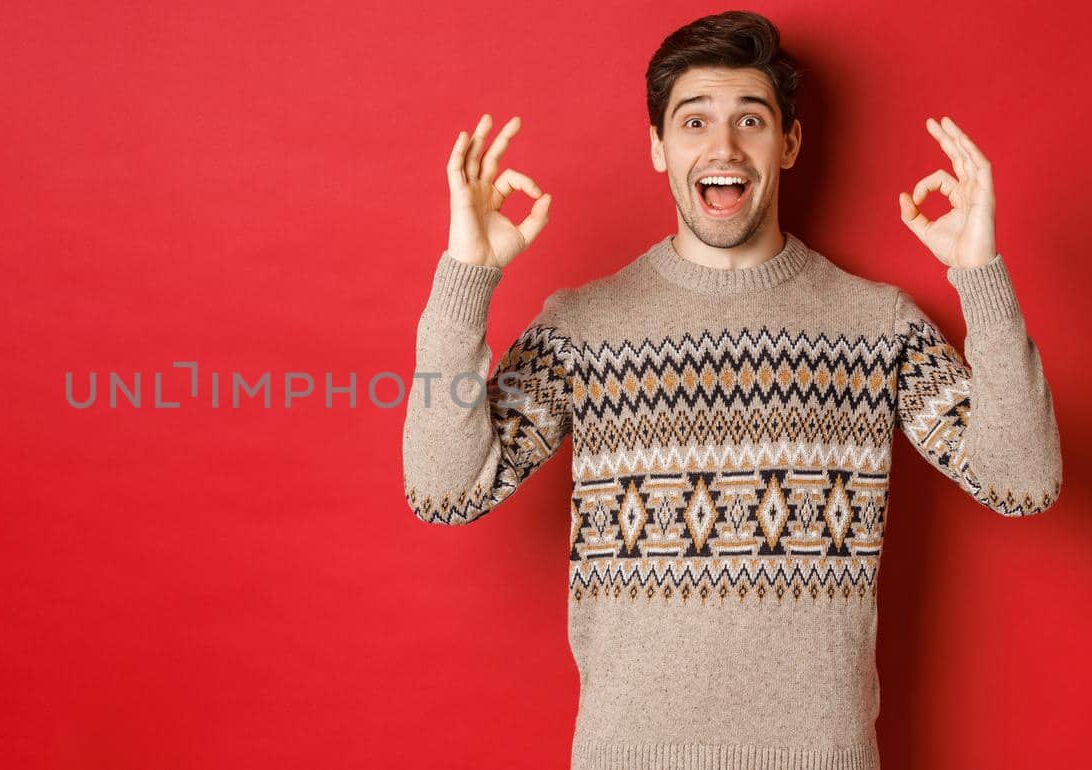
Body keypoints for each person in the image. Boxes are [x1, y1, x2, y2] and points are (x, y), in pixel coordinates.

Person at [400, 10, 1062, 769]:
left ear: (789, 144)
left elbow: (1023, 483)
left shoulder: (874, 324)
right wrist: (466, 279)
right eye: (693, 122)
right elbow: (443, 491)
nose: (723, 147)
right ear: (658, 147)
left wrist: (980, 278)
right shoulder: (583, 327)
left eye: (751, 119)